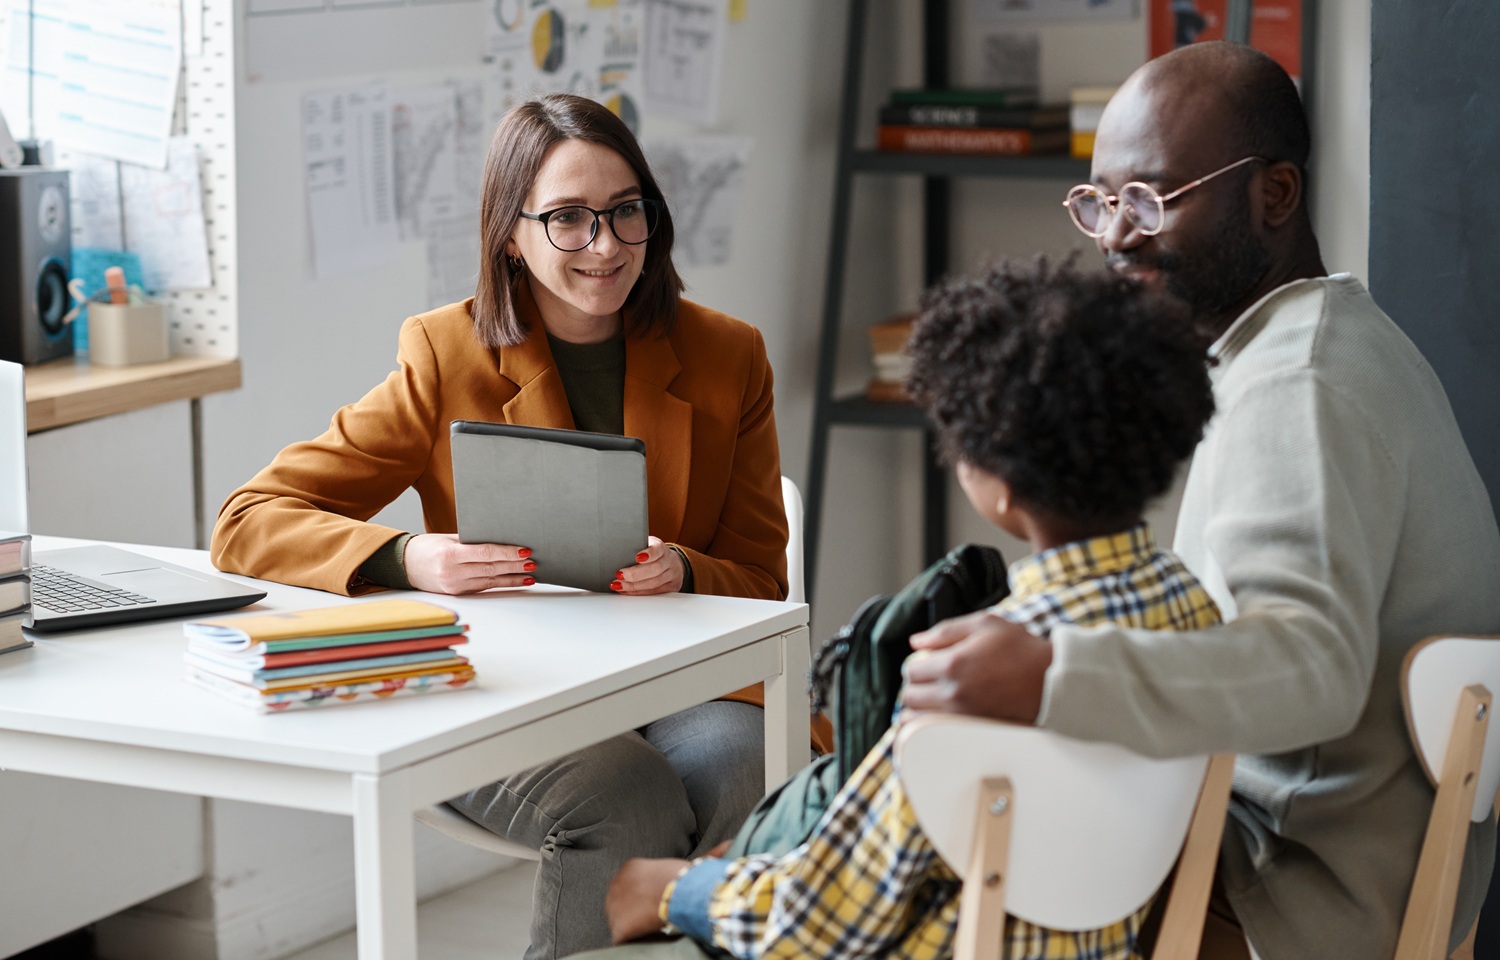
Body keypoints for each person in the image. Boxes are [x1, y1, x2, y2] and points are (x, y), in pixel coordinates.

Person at [899, 42, 1500, 960]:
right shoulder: (1338, 336)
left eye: (1151, 199)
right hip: (1362, 858)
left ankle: (731, 897)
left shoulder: (1295, 386)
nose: (1112, 235)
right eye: (1099, 201)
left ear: (1276, 196)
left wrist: (1053, 673)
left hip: (1296, 890)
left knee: (956, 818)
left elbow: (1311, 667)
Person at [210, 93, 811, 960]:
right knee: (621, 793)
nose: (604, 246)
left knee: (741, 765)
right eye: (567, 219)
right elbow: (249, 519)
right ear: (510, 234)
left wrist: (684, 568)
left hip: (683, 687)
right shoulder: (443, 353)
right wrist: (409, 557)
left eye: (625, 213)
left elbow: (760, 576)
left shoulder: (728, 355)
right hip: (507, 688)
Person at [591, 257, 1225, 959]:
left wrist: (674, 889)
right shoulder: (1194, 613)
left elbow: (818, 925)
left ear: (1000, 484)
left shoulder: (976, 675)